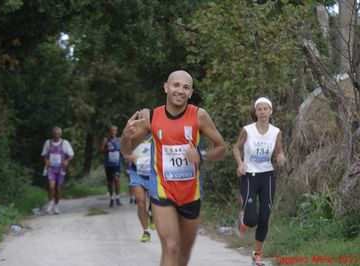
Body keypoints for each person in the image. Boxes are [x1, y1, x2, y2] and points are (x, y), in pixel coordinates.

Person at [120, 70, 227, 266]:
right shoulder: (152, 117)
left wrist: (201, 155)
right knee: (170, 247)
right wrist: (126, 135)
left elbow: (222, 149)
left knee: (182, 256)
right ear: (166, 87)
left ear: (191, 92)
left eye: (186, 87)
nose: (180, 90)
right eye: (176, 85)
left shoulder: (199, 116)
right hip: (162, 192)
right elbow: (126, 149)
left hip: (190, 194)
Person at [233, 97, 285, 266]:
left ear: (271, 111)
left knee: (264, 217)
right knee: (251, 220)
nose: (263, 112)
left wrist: (280, 157)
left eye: (266, 109)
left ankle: (257, 254)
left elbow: (279, 151)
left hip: (267, 176)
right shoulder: (247, 130)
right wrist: (241, 164)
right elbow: (235, 148)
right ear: (255, 112)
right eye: (259, 109)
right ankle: (243, 220)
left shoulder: (276, 132)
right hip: (249, 176)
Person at [124, 133, 153, 242]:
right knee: (141, 203)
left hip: (153, 173)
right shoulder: (133, 135)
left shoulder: (157, 132)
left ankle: (152, 215)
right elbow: (124, 152)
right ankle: (146, 231)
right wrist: (129, 157)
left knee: (155, 203)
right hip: (137, 173)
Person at [41, 127, 74, 215]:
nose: (56, 135)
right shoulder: (48, 143)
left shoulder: (65, 143)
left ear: (61, 134)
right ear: (52, 134)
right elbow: (44, 154)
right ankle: (50, 203)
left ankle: (57, 206)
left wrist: (67, 160)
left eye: (58, 134)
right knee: (51, 187)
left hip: (61, 170)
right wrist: (46, 160)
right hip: (51, 169)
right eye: (55, 134)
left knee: (58, 190)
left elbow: (71, 154)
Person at [100, 125, 122, 207]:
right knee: (110, 182)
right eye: (111, 131)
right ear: (109, 132)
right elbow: (101, 150)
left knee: (117, 179)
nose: (113, 132)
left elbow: (124, 150)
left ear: (116, 132)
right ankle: (112, 198)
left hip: (117, 164)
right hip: (108, 164)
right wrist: (106, 149)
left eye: (115, 131)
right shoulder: (106, 140)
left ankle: (118, 197)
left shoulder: (120, 140)